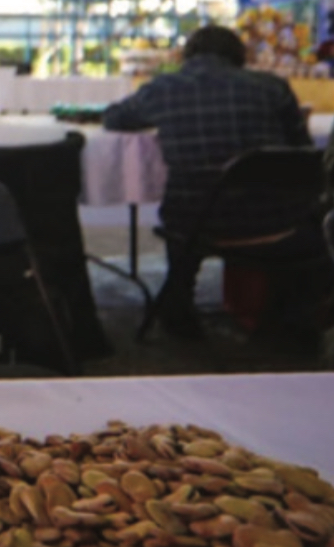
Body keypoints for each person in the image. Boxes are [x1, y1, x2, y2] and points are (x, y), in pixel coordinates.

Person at [103, 24, 322, 340]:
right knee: (317, 223)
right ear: (239, 55)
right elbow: (302, 153)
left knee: (187, 211)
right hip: (277, 224)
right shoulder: (273, 87)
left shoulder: (163, 89)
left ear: (187, 55)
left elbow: (114, 118)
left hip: (196, 222)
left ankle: (179, 310)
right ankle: (294, 315)